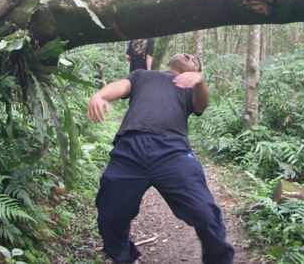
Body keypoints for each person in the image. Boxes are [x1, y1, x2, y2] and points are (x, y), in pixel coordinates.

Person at [86, 53, 235, 264]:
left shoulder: (191, 87)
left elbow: (201, 105)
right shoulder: (142, 75)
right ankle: (124, 257)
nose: (187, 55)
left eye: (194, 60)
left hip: (173, 152)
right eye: (186, 54)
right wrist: (100, 95)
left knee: (206, 214)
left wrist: (200, 80)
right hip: (129, 150)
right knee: (109, 217)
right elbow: (120, 86)